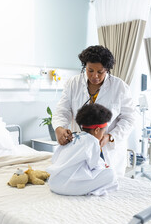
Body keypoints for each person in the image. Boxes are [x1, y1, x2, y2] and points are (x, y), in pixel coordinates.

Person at [52, 45, 135, 176]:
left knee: (107, 186)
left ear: (107, 70)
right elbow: (62, 110)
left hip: (108, 151)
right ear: (85, 66)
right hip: (80, 148)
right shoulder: (73, 83)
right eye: (90, 70)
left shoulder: (120, 87)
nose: (94, 76)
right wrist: (59, 128)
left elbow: (129, 119)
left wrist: (110, 137)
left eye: (100, 72)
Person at [46, 103, 118, 196]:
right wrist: (104, 167)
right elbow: (94, 165)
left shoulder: (71, 136)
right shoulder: (92, 141)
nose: (103, 134)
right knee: (111, 174)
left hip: (54, 183)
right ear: (97, 130)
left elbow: (55, 159)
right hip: (68, 187)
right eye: (103, 131)